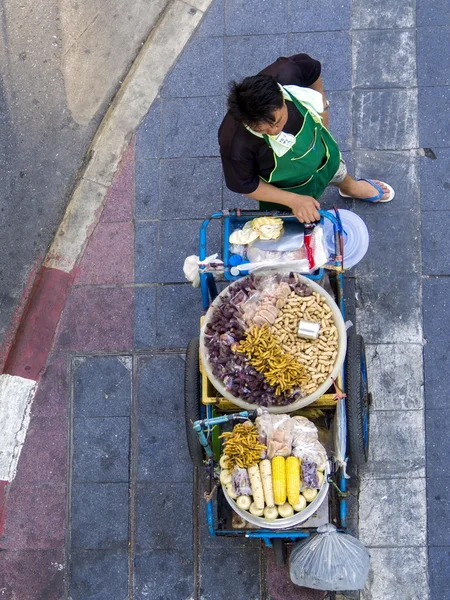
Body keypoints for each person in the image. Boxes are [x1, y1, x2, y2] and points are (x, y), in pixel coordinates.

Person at [218, 54, 395, 223]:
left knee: (334, 167)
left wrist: (323, 107)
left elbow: (313, 72)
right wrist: (294, 200)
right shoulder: (234, 143)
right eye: (263, 130)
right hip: (287, 187)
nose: (274, 132)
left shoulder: (287, 72)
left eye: (278, 122)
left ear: (282, 97)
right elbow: (246, 185)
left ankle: (349, 187)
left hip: (320, 149)